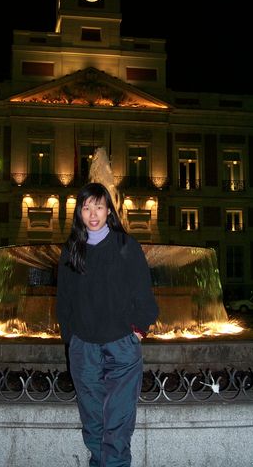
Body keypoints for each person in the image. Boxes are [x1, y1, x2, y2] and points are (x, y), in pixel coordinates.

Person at [56, 182, 159, 467]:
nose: (92, 213)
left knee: (118, 423)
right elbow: (63, 300)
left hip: (121, 346)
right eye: (86, 207)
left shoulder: (126, 246)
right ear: (78, 212)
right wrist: (71, 338)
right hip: (84, 348)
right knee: (92, 424)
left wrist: (137, 331)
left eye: (99, 206)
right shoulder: (71, 251)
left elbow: (143, 295)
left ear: (108, 211)